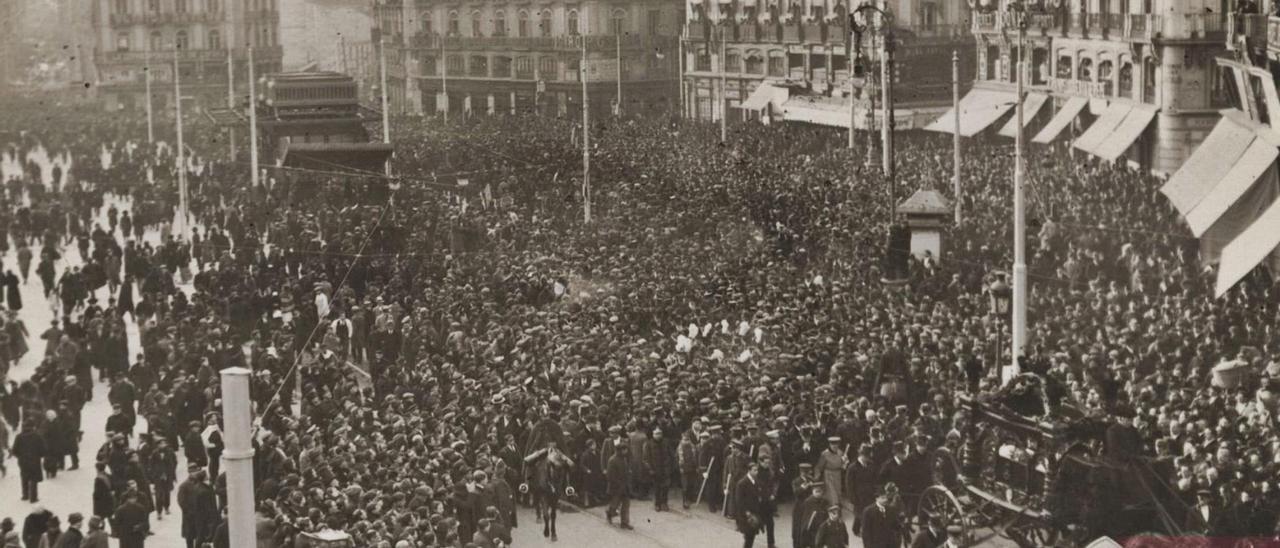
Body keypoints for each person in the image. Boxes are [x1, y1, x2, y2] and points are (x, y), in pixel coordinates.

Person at [735, 461, 770, 548]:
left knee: (751, 536)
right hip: (747, 515)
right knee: (749, 537)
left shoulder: (756, 482)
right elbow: (739, 501)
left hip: (756, 512)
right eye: (754, 470)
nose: (757, 472)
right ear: (749, 471)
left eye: (757, 470)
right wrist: (746, 512)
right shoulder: (742, 483)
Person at [12, 419, 46, 502]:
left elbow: (14, 450)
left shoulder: (19, 436)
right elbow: (43, 449)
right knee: (34, 478)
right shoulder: (37, 436)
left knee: (24, 477)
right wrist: (39, 455)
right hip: (34, 460)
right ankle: (33, 497)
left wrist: (20, 456)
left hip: (23, 461)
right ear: (33, 427)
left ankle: (25, 495)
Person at [605, 441, 633, 530]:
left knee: (626, 505)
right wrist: (618, 484)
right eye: (625, 450)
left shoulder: (623, 459)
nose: (627, 452)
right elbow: (610, 476)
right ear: (620, 450)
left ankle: (624, 523)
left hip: (625, 487)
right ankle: (609, 513)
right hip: (616, 488)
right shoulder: (612, 460)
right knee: (614, 505)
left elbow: (625, 470)